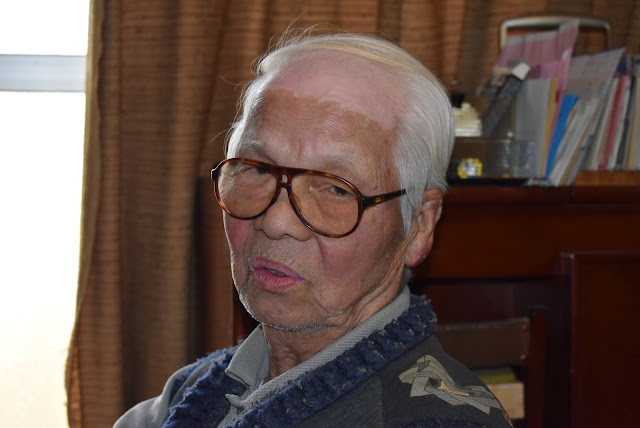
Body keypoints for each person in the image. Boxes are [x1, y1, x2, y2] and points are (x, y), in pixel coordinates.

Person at [115, 31, 512, 428]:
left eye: (337, 189)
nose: (276, 222)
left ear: (419, 225)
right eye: (256, 169)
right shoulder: (192, 392)